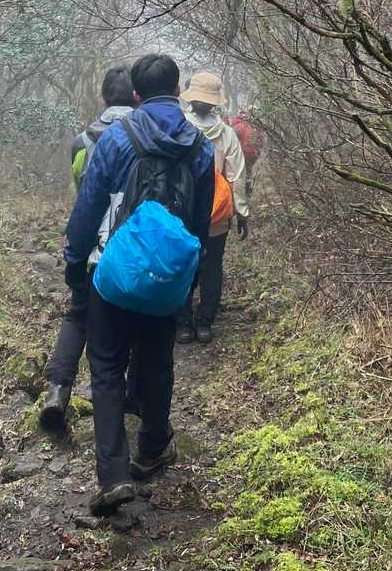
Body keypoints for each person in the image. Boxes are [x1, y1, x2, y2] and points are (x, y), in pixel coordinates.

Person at [64, 53, 214, 515]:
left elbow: (89, 205)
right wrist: (189, 276)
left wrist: (75, 261)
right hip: (168, 274)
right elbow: (200, 221)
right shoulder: (199, 146)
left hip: (114, 269)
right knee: (158, 360)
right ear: (178, 90)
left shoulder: (117, 138)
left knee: (107, 366)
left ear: (135, 94)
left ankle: (113, 476)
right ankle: (151, 449)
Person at [39, 66, 136, 431]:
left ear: (102, 97)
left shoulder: (82, 141)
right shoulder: (144, 137)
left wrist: (75, 253)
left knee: (78, 314)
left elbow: (83, 192)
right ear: (137, 97)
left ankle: (57, 390)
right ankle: (126, 399)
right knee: (131, 319)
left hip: (92, 239)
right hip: (132, 243)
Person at [177, 72, 249, 345]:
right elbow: (237, 176)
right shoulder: (226, 134)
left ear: (190, 98)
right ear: (215, 102)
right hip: (216, 212)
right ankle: (205, 321)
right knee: (212, 266)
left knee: (182, 264)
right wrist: (242, 212)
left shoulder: (178, 128)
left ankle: (183, 322)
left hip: (181, 211)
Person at [228, 107, 264, 199]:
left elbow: (260, 141)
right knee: (242, 174)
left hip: (248, 155)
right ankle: (242, 194)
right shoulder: (242, 124)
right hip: (243, 154)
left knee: (245, 173)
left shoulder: (254, 125)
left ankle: (244, 193)